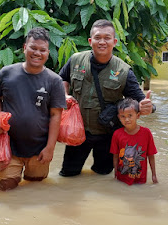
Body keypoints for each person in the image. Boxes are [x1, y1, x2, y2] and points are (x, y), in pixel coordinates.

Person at [58, 19, 155, 177]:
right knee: (68, 175)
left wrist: (147, 108)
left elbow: (139, 100)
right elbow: (62, 79)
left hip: (107, 135)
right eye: (97, 37)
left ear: (114, 41)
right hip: (77, 132)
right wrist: (65, 95)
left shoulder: (124, 71)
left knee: (103, 176)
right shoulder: (75, 60)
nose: (102, 41)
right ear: (90, 41)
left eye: (107, 37)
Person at [0, 27, 66, 191]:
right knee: (5, 188)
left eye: (42, 50)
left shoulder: (54, 81)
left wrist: (50, 148)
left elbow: (55, 116)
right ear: (25, 48)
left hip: (39, 150)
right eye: (33, 48)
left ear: (47, 52)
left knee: (36, 187)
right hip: (8, 147)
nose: (37, 53)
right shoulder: (6, 73)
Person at [110, 98, 158, 185]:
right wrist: (115, 174)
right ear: (118, 117)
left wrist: (154, 175)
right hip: (122, 178)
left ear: (138, 115)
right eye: (123, 116)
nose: (127, 119)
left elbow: (151, 155)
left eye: (130, 115)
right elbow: (115, 155)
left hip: (140, 178)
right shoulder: (117, 134)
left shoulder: (146, 133)